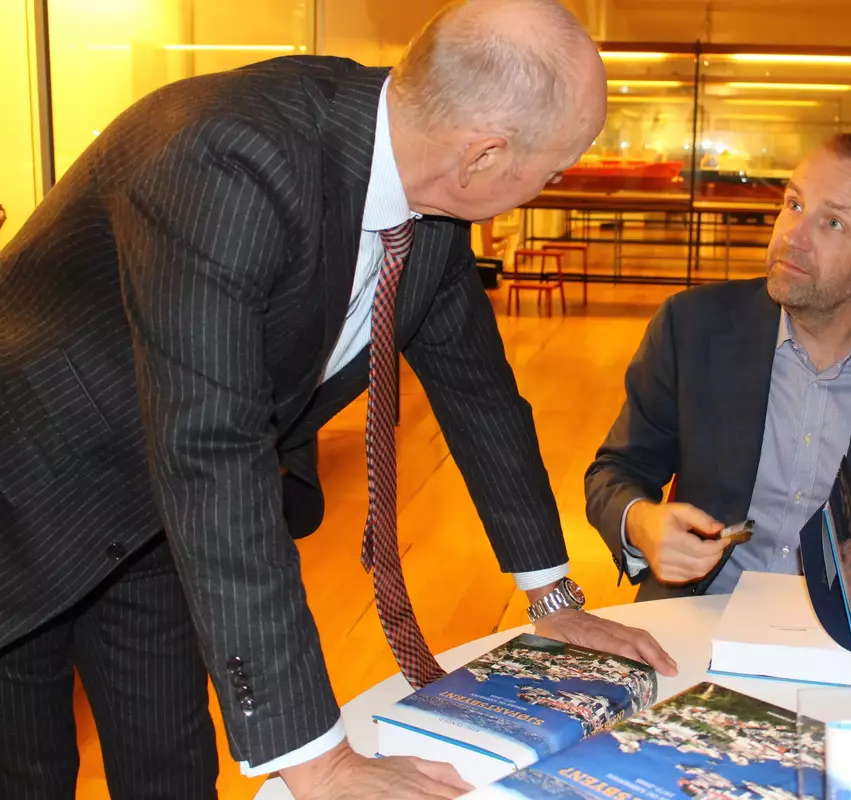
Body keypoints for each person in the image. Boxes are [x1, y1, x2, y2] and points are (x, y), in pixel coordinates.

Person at [0, 2, 678, 799]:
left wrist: (552, 600)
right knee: (29, 773)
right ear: (485, 154)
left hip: (157, 514)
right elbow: (212, 447)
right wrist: (319, 761)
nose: (546, 189)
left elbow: (480, 396)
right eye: (552, 171)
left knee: (171, 767)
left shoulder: (427, 203)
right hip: (26, 492)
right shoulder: (229, 154)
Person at [584, 133, 851, 605]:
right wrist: (642, 522)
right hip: (700, 614)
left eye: (833, 223)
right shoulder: (693, 327)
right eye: (794, 205)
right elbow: (614, 471)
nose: (793, 237)